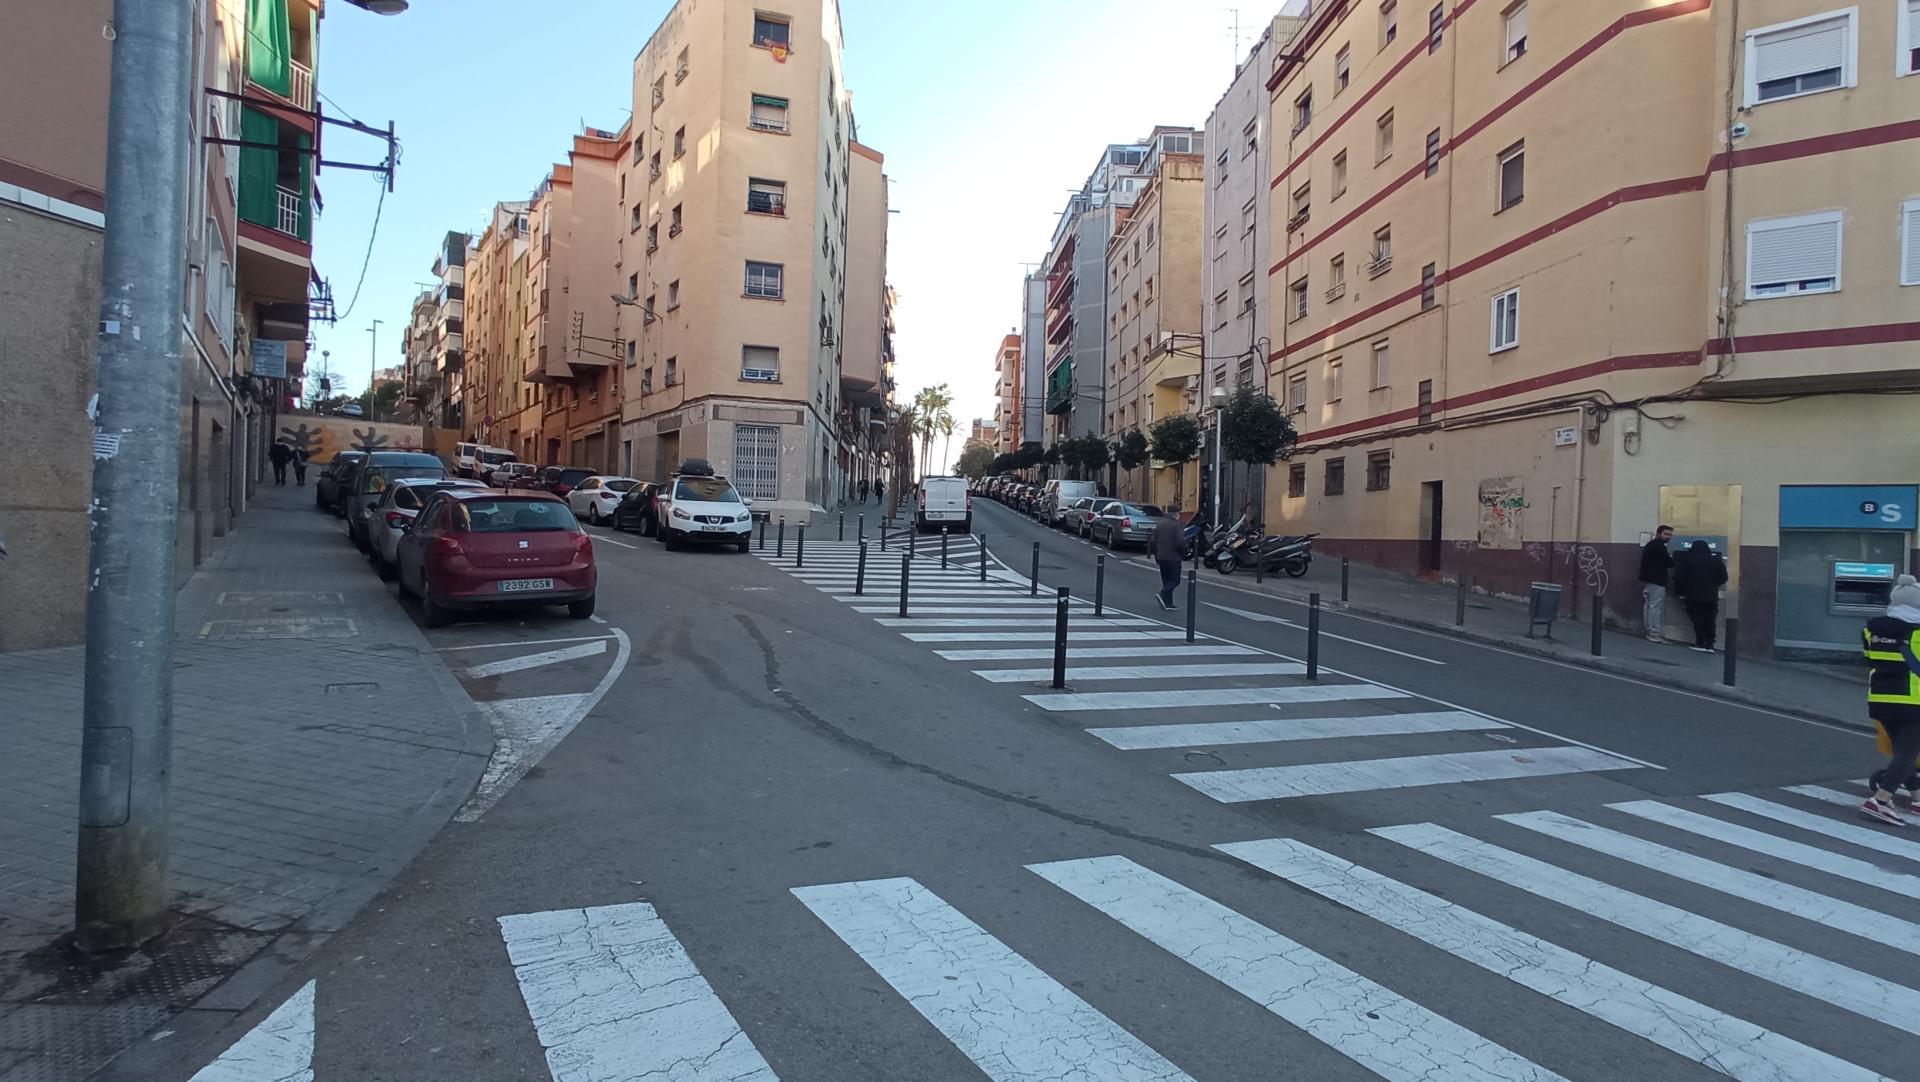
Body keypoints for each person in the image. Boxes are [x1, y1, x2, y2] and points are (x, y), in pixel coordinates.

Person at [1861, 575, 1920, 825]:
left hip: (1879, 700)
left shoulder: (1870, 630)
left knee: (1902, 753)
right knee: (1908, 754)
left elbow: (1869, 659)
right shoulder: (1916, 632)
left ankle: (1917, 798)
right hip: (1912, 701)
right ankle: (1880, 801)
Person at [1668, 540, 1727, 653]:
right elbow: (1724, 577)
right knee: (1710, 619)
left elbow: (1679, 578)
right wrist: (1713, 584)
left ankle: (1700, 642)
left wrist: (1680, 592)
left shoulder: (1687, 560)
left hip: (1693, 595)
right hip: (1711, 596)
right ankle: (1710, 643)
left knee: (1697, 619)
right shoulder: (1716, 560)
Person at [1638, 524, 1674, 642]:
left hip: (1648, 579)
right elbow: (1670, 563)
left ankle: (1650, 631)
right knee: (1655, 607)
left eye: (1670, 535)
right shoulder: (1660, 546)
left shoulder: (1650, 545)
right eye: (1666, 534)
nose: (1668, 537)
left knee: (1649, 606)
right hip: (1657, 580)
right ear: (1659, 533)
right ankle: (1654, 633)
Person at [1149, 501, 1186, 611]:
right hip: (1173, 557)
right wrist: (1183, 552)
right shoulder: (1177, 525)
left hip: (1161, 557)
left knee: (1166, 580)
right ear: (1176, 514)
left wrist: (1156, 555)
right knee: (1175, 580)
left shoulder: (1160, 524)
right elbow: (1180, 542)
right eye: (1178, 513)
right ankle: (1163, 594)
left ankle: (1168, 603)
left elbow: (1154, 541)